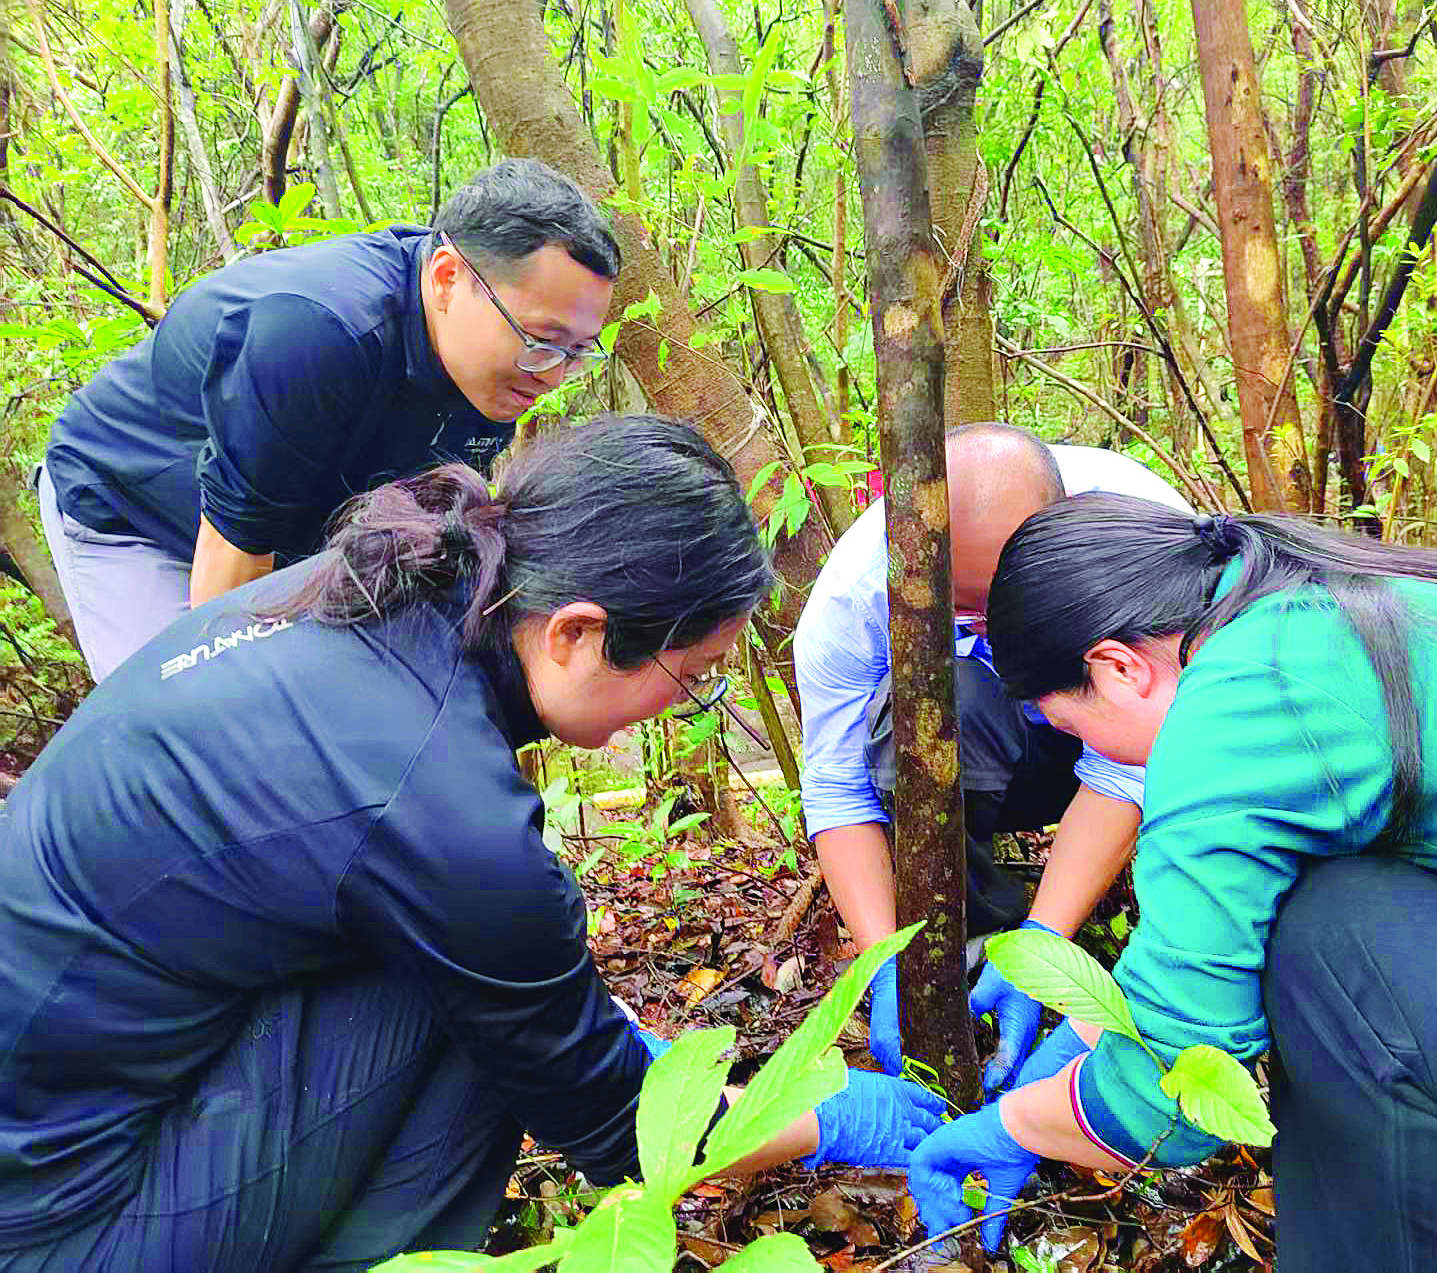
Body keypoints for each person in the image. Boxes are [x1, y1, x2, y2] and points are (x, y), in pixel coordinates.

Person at [0, 418, 943, 1271]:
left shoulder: (371, 590)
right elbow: (621, 1128)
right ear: (577, 632)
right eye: (692, 672)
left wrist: (587, 1024)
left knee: (497, 980)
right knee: (488, 1023)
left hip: (64, 1107)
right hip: (64, 1219)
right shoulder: (439, 798)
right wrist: (822, 1118)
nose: (684, 701)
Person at [909, 494, 1437, 1270]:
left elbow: (1172, 1101)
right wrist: (1097, 1025)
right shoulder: (1342, 607)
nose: (1099, 757)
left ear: (1118, 668)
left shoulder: (1244, 699)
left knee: (1331, 933)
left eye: (1072, 727)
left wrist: (1010, 1124)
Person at [36, 157, 619, 681]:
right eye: (541, 340)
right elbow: (233, 567)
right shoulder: (318, 334)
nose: (554, 374)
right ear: (447, 278)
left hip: (291, 530)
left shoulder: (494, 372)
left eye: (578, 351)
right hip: (134, 514)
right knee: (186, 720)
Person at [795, 424, 1190, 1091]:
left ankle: (1063, 949)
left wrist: (1043, 948)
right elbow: (838, 789)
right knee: (932, 704)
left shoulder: (1140, 535)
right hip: (992, 752)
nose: (989, 629)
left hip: (1118, 739)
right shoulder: (857, 591)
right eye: (963, 611)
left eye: (1002, 606)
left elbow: (1133, 762)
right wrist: (885, 962)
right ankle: (972, 952)